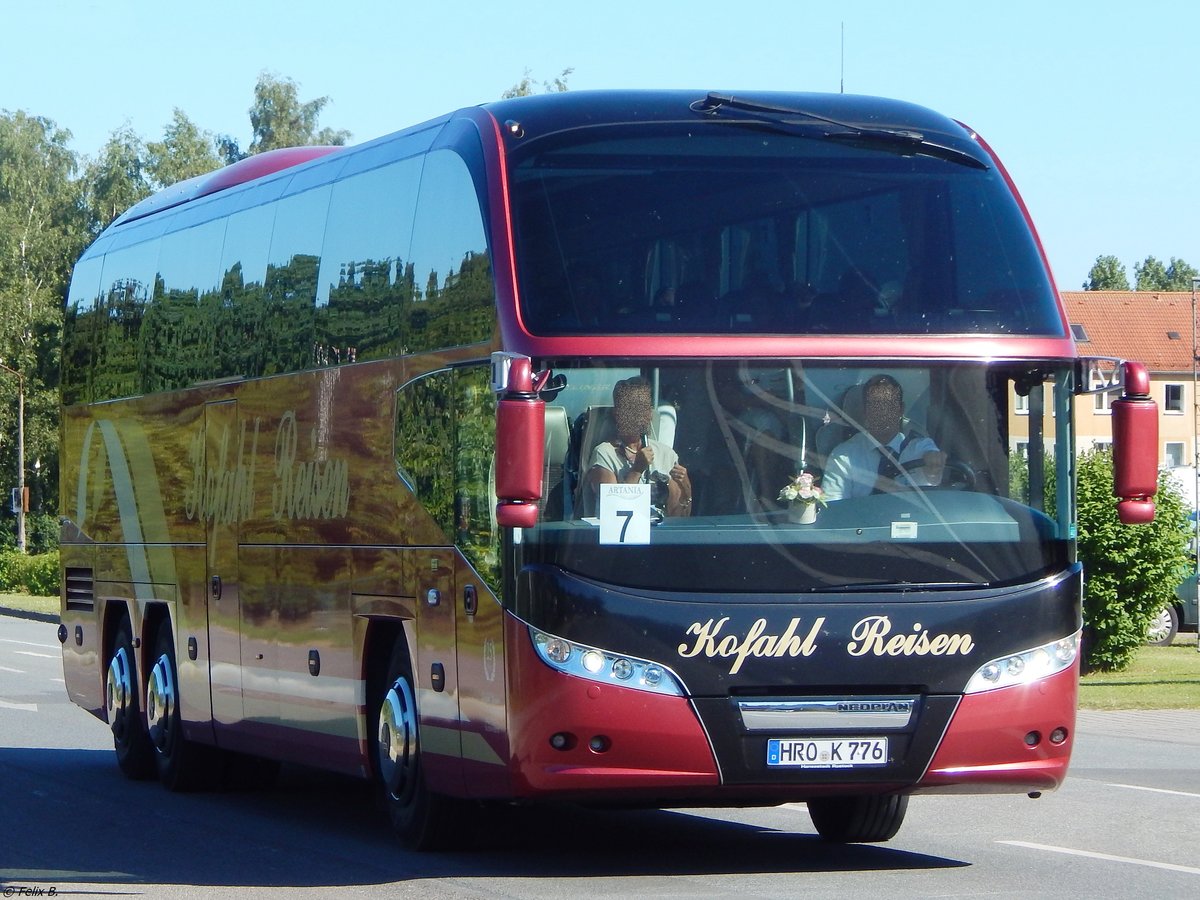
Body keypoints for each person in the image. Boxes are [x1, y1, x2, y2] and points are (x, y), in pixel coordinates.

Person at [821, 374, 945, 501]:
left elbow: (936, 492)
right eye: (875, 406)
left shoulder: (922, 448)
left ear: (901, 409)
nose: (882, 413)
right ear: (865, 411)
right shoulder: (844, 456)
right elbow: (834, 508)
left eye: (889, 405)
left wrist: (934, 468)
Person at [587, 376, 693, 516]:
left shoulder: (667, 455)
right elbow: (612, 512)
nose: (638, 416)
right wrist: (637, 470)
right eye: (630, 410)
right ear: (617, 414)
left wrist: (685, 487)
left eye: (643, 409)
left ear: (650, 414)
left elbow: (680, 518)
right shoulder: (605, 454)